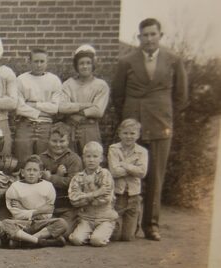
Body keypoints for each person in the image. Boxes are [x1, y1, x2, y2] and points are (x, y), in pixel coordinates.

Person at [112, 18, 188, 241]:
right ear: (139, 38)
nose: (149, 39)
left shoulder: (173, 60)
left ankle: (151, 225)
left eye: (153, 34)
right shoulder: (126, 61)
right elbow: (118, 94)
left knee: (155, 176)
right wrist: (129, 118)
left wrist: (163, 113)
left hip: (159, 125)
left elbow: (181, 97)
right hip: (132, 125)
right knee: (126, 174)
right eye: (144, 35)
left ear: (160, 36)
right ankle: (128, 223)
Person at [1, 155, 68, 247]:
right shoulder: (14, 187)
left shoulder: (48, 186)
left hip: (41, 224)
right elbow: (16, 213)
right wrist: (39, 211)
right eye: (28, 170)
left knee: (62, 223)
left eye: (35, 170)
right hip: (22, 224)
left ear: (40, 174)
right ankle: (40, 241)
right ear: (22, 172)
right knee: (5, 223)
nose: (31, 173)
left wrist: (24, 209)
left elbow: (48, 212)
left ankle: (25, 241)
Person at [14, 48, 63, 164]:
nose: (39, 65)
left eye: (42, 61)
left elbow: (55, 108)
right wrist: (43, 109)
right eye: (36, 61)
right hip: (26, 124)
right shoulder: (21, 80)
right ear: (29, 62)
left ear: (47, 62)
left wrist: (33, 104)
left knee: (44, 161)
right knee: (23, 161)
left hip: (46, 125)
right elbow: (19, 108)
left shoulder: (54, 80)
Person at [58, 45, 110, 154]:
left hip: (89, 128)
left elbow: (98, 111)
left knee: (91, 159)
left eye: (88, 63)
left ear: (93, 65)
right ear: (76, 66)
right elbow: (62, 107)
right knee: (70, 161)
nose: (85, 66)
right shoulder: (68, 84)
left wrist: (72, 108)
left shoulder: (101, 85)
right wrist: (87, 105)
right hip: (70, 128)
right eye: (81, 63)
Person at [68, 142, 118, 247]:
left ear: (101, 158)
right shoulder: (78, 177)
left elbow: (105, 198)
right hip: (86, 218)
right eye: (88, 156)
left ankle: (101, 232)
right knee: (76, 240)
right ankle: (90, 234)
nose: (91, 160)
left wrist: (84, 197)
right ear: (83, 158)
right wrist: (96, 193)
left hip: (105, 217)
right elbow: (73, 200)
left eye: (95, 156)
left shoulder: (105, 174)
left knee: (97, 241)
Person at [38, 122, 82, 234]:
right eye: (54, 141)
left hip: (67, 207)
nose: (58, 145)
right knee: (41, 228)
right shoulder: (41, 158)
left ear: (68, 141)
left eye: (62, 141)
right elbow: (35, 181)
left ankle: (46, 238)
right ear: (48, 140)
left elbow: (73, 182)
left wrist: (51, 178)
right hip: (45, 207)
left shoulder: (74, 159)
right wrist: (58, 176)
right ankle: (46, 239)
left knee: (64, 231)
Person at [108, 118, 148, 241]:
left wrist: (124, 164)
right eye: (125, 133)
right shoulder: (114, 149)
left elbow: (142, 172)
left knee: (127, 238)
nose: (128, 136)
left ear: (138, 135)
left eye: (132, 133)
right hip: (118, 194)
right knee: (115, 236)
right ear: (119, 133)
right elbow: (114, 172)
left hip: (133, 195)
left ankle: (134, 221)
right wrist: (133, 168)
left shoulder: (142, 152)